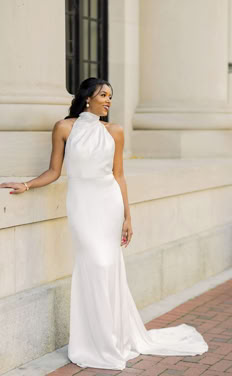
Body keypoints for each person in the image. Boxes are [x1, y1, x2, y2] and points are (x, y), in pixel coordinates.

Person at [0, 77, 208, 371]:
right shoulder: (64, 128)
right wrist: (27, 185)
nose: (109, 100)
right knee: (94, 264)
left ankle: (110, 338)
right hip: (82, 206)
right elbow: (54, 171)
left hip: (108, 204)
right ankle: (92, 341)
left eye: (111, 96)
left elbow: (119, 176)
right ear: (88, 98)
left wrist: (127, 215)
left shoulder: (115, 131)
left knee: (107, 267)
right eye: (104, 95)